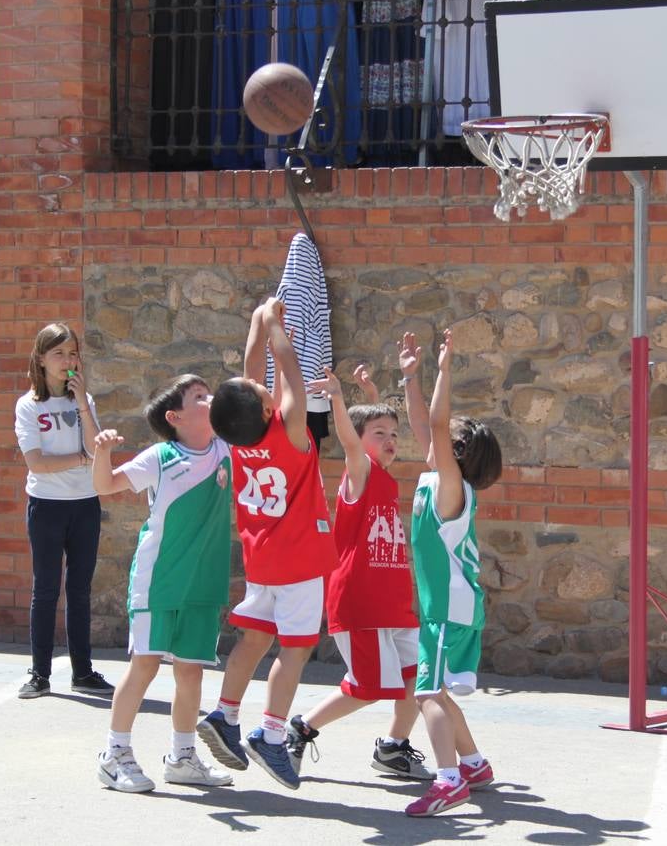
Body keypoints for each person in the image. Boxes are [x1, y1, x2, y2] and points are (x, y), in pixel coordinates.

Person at [198, 297, 337, 790]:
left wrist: (258, 322)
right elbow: (289, 377)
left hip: (262, 562)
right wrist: (277, 329)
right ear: (263, 406)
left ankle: (223, 714)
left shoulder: (241, 442)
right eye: (262, 392)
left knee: (253, 639)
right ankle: (272, 735)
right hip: (299, 562)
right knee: (294, 650)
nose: (264, 386)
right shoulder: (291, 433)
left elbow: (251, 374)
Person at [285, 336, 436, 781]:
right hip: (360, 603)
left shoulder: (384, 477)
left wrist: (371, 399)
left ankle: (393, 747)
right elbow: (354, 441)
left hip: (394, 605)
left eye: (394, 435)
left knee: (417, 677)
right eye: (380, 436)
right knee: (370, 687)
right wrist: (337, 399)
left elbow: (366, 429)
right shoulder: (360, 473)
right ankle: (300, 728)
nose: (390, 441)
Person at [90, 374, 234, 793]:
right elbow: (106, 485)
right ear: (176, 417)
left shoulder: (226, 449)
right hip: (159, 581)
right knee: (145, 666)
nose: (211, 399)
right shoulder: (161, 456)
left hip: (202, 585)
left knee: (191, 672)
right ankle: (114, 755)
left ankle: (182, 757)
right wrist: (102, 452)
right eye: (199, 397)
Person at [404, 329, 503, 817]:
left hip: (449, 607)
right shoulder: (438, 481)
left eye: (445, 442)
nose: (430, 441)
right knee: (436, 689)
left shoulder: (451, 489)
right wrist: (411, 378)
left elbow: (437, 426)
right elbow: (426, 424)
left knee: (426, 693)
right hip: (449, 605)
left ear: (456, 453)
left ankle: (448, 782)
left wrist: (444, 369)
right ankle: (474, 764)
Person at [12, 322, 114, 700]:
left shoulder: (83, 402)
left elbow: (97, 447)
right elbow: (36, 463)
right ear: (41, 359)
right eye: (59, 353)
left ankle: (82, 672)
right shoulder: (28, 405)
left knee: (80, 590)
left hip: (85, 504)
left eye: (73, 353)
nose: (68, 361)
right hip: (47, 506)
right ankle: (39, 674)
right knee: (46, 590)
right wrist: (81, 458)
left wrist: (84, 405)